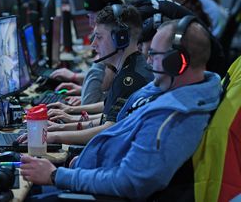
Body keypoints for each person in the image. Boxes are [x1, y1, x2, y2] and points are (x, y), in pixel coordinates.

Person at [20, 16, 222, 200]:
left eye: (153, 54)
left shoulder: (175, 118)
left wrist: (57, 175)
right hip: (87, 172)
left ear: (176, 63)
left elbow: (129, 182)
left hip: (101, 193)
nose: (148, 60)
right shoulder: (170, 89)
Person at [19, 5, 153, 145]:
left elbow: (109, 128)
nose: (93, 45)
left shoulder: (132, 79)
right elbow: (107, 118)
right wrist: (61, 126)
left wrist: (55, 136)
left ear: (120, 39)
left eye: (99, 37)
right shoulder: (128, 69)